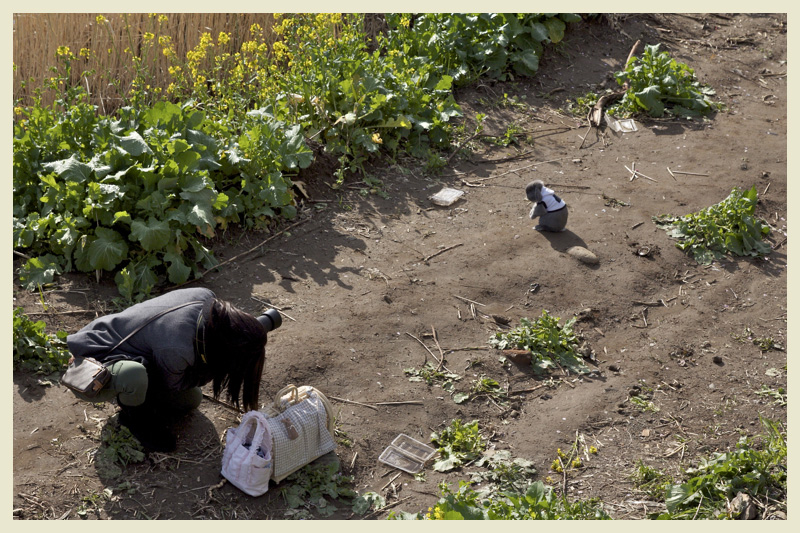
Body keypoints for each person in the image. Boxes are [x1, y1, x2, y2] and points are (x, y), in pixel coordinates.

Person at [66, 287, 280, 452]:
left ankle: (141, 400)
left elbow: (228, 339)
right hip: (93, 364)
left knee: (192, 400)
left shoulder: (208, 299)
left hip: (139, 351)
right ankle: (132, 418)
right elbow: (171, 384)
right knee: (135, 376)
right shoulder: (178, 348)